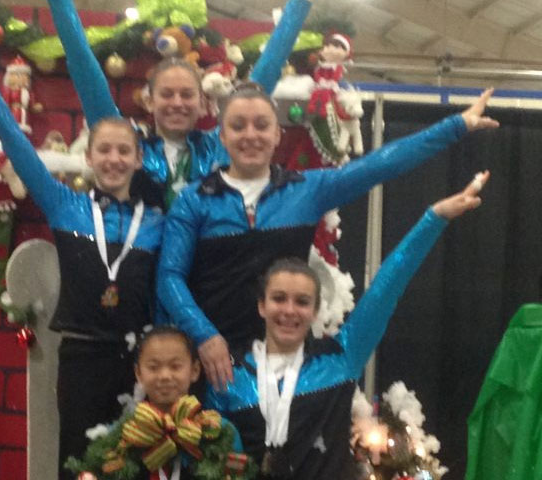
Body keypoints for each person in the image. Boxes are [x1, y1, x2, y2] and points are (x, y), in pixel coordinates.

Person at [157, 84, 499, 391]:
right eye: (238, 126)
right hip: (216, 364)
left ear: (277, 134)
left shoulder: (306, 190)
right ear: (222, 136)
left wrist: (455, 126)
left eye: (261, 125)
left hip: (287, 359)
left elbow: (381, 164)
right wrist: (204, 335)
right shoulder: (194, 200)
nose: (251, 135)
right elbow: (169, 276)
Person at [0, 27, 164, 480]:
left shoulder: (157, 221)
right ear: (90, 158)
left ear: (139, 159)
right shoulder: (66, 206)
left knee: (137, 468)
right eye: (104, 150)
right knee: (78, 466)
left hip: (139, 362)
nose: (114, 159)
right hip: (79, 360)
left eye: (124, 151)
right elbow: (18, 148)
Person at [206, 172, 490, 478]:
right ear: (262, 305)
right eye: (279, 298)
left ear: (315, 311)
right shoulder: (229, 375)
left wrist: (433, 218)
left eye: (302, 301)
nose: (289, 310)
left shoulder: (339, 358)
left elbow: (387, 288)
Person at [46, 0, 312, 207]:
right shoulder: (130, 148)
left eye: (186, 94)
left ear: (201, 102)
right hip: (139, 259)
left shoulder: (219, 145)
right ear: (149, 101)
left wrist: (299, 7)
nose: (177, 103)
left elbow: (266, 73)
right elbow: (85, 72)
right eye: (167, 94)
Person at [67, 325, 257, 480]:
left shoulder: (219, 432)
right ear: (138, 373)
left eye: (175, 366)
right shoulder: (121, 437)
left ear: (194, 370)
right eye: (153, 367)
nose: (165, 375)